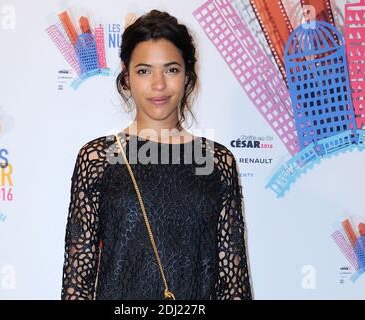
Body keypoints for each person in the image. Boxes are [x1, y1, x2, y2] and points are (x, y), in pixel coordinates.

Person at [61, 10, 252, 300]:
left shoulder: (216, 162)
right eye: (144, 70)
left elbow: (233, 282)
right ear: (126, 76)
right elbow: (78, 283)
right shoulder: (99, 159)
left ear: (188, 75)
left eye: (171, 69)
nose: (159, 84)